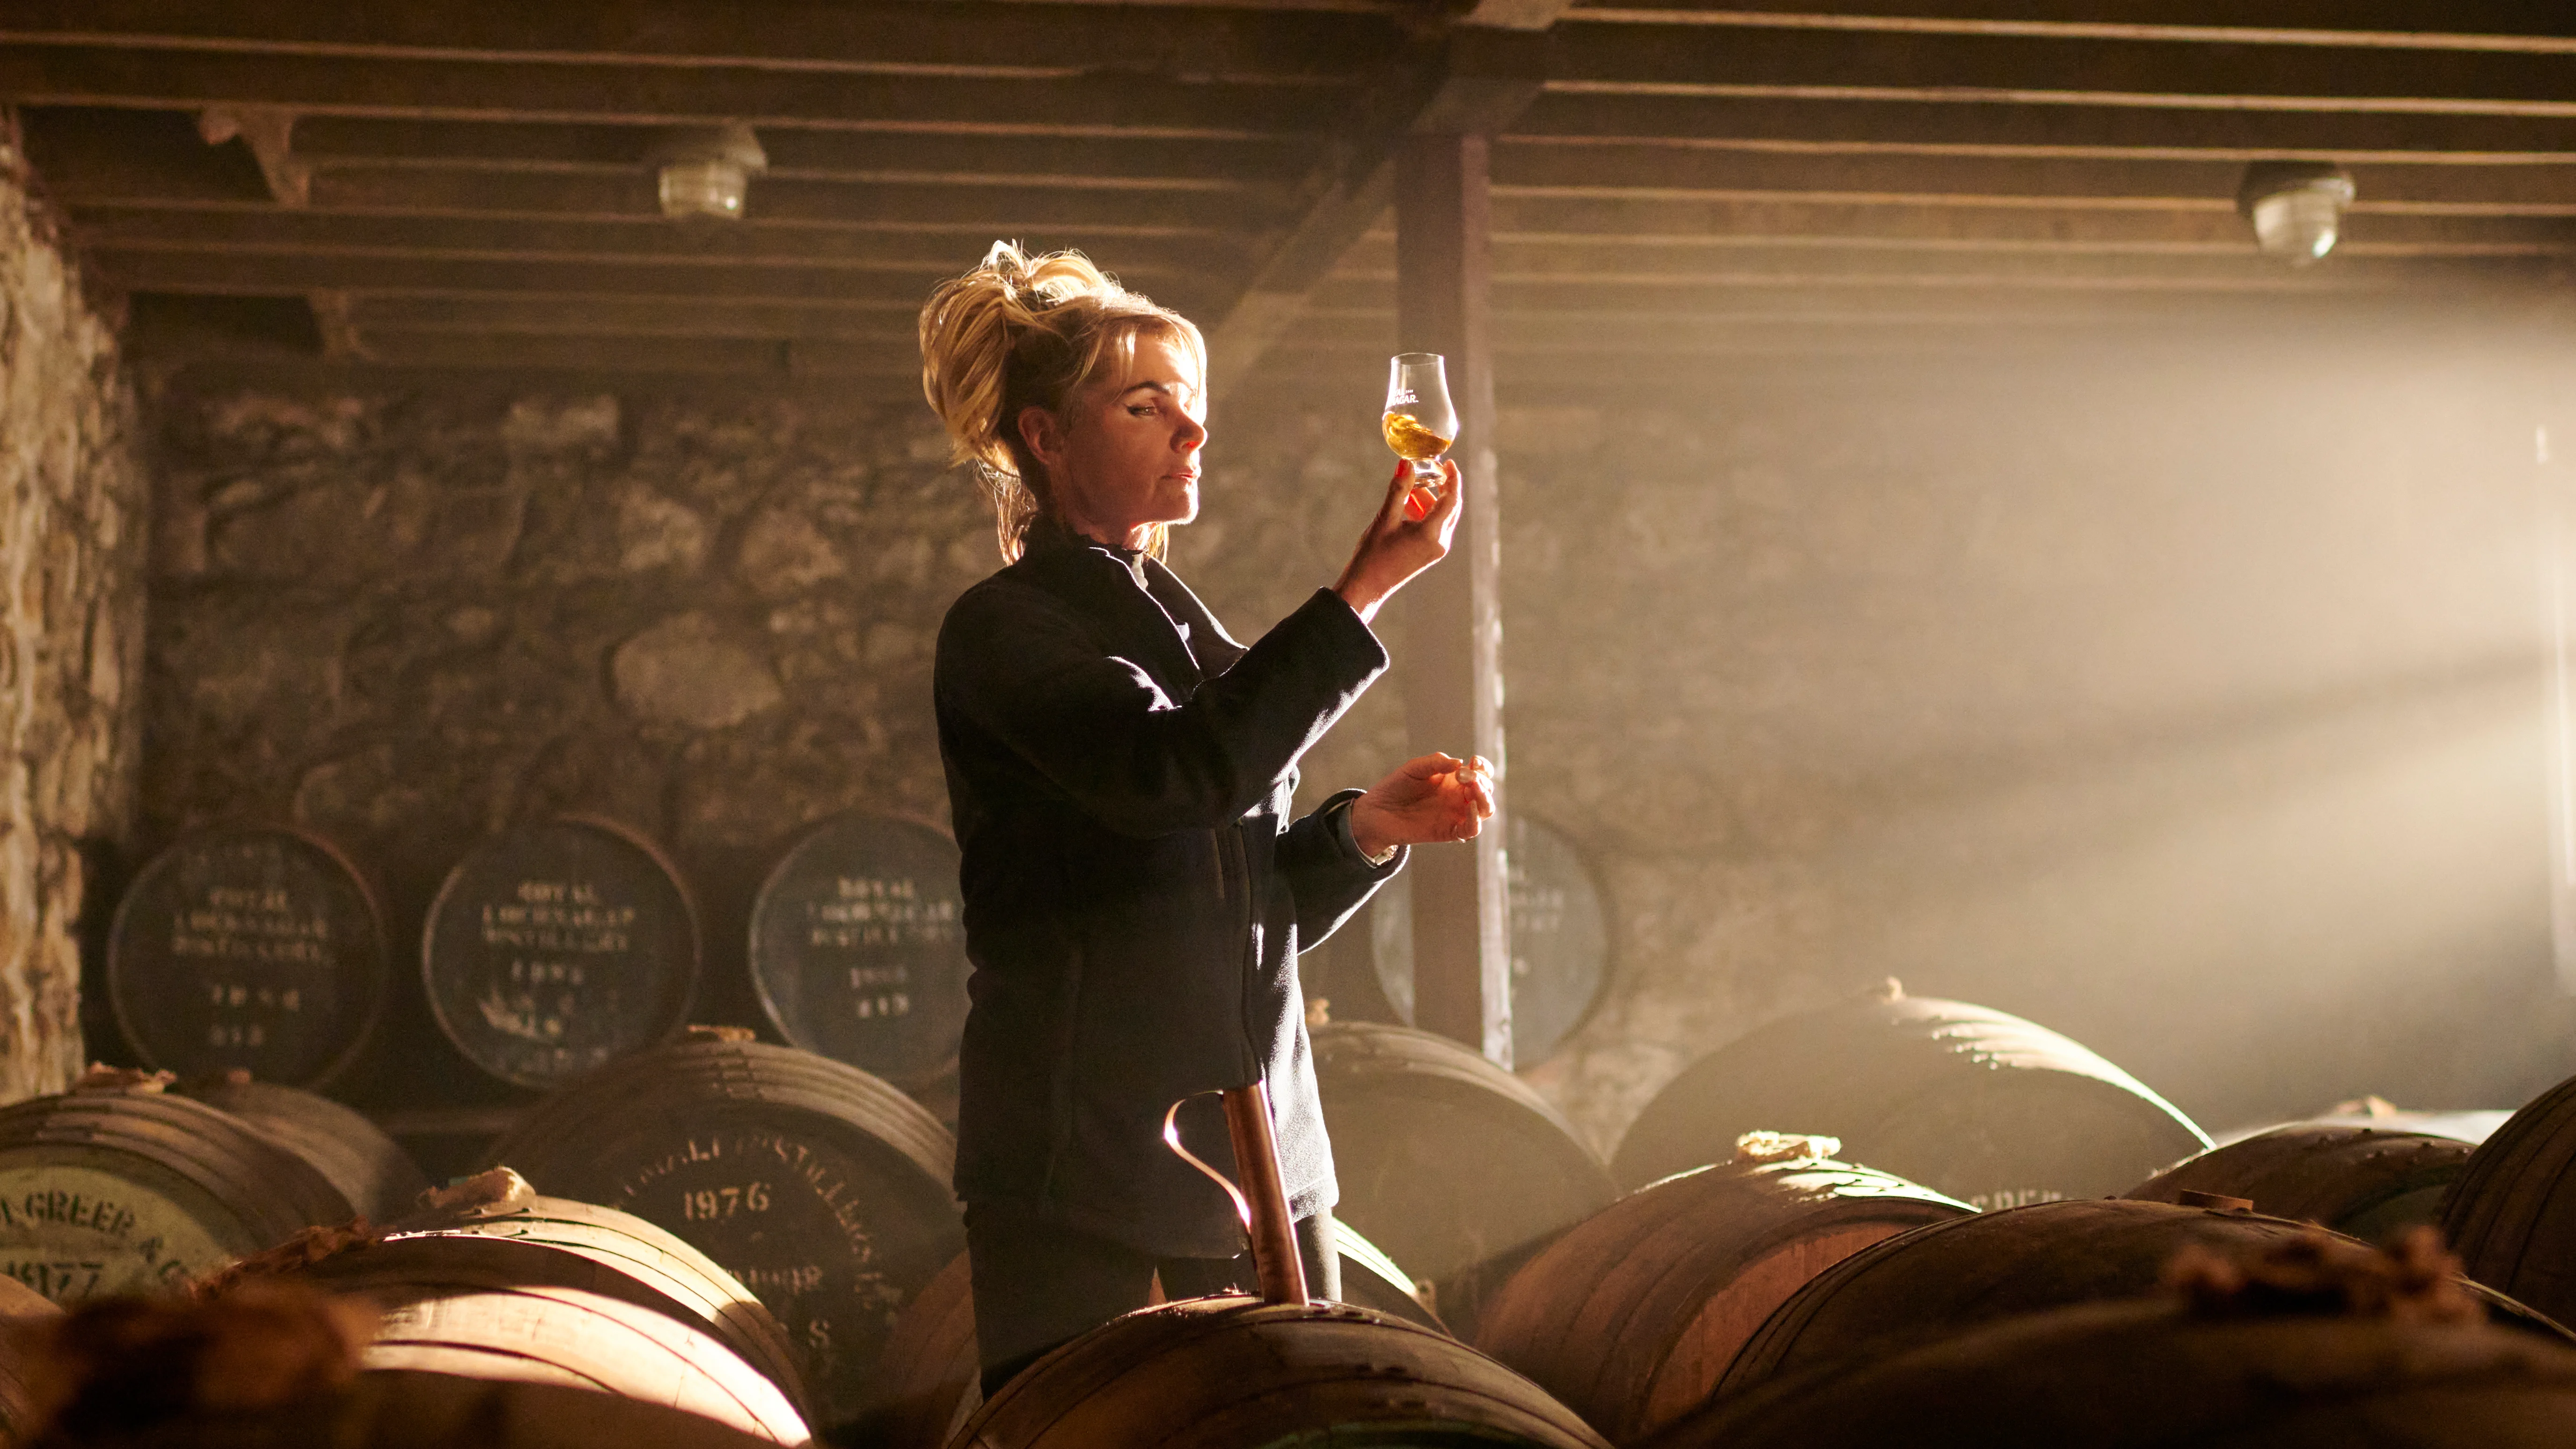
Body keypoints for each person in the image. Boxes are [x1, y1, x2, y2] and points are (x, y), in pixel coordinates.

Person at [919, 241, 1495, 1396]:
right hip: (1088, 1174)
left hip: (1265, 1157)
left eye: (1195, 410)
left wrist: (1360, 835)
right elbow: (1175, 779)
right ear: (1045, 437)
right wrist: (1364, 591)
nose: (1193, 434)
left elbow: (1226, 901)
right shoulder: (1010, 629)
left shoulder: (1176, 623)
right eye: (1148, 407)